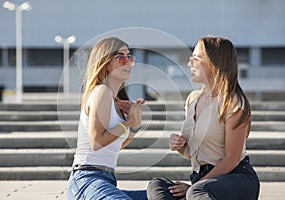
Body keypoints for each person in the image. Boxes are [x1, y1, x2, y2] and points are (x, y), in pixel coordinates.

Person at [147, 36, 260, 200]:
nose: (189, 63)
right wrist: (179, 146)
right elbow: (193, 152)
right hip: (201, 181)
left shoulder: (233, 102)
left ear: (215, 63)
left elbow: (232, 159)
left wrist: (194, 187)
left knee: (197, 193)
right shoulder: (193, 99)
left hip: (235, 179)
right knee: (157, 185)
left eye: (196, 58)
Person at [67, 37, 147, 200]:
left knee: (168, 194)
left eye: (130, 57)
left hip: (106, 180)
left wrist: (134, 126)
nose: (128, 62)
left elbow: (114, 146)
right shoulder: (101, 92)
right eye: (121, 57)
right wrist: (129, 122)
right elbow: (96, 143)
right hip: (87, 180)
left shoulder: (116, 100)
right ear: (105, 62)